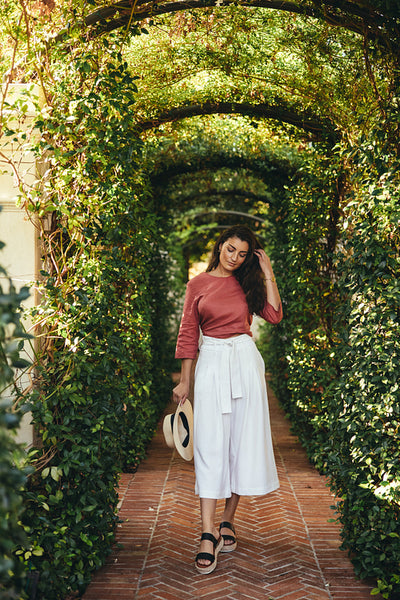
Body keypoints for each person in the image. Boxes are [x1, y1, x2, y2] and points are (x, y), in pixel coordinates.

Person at [172, 224, 283, 575]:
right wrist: (185, 380)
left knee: (240, 446)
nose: (234, 257)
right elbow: (188, 333)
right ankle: (207, 533)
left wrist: (267, 273)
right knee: (210, 446)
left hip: (245, 364)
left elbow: (275, 315)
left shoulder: (249, 282)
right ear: (220, 245)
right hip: (213, 364)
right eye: (230, 249)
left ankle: (227, 521)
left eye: (242, 253)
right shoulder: (198, 285)